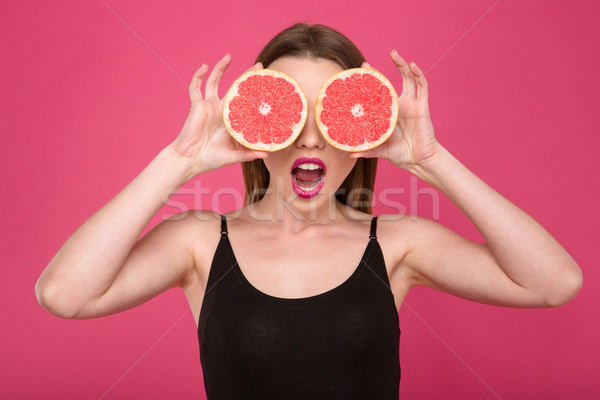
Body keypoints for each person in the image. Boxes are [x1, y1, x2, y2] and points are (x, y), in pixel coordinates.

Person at [35, 23, 582, 399]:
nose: (312, 139)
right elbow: (65, 294)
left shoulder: (398, 244)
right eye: (290, 110)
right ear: (256, 120)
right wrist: (179, 161)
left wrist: (432, 160)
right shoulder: (198, 242)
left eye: (335, 113)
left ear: (364, 130)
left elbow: (553, 283)